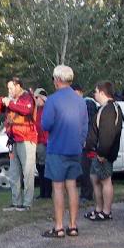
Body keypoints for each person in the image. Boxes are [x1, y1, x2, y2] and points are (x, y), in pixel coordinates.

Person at [40, 65, 89, 238]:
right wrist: (80, 142)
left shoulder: (53, 100)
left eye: (54, 78)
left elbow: (46, 124)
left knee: (58, 188)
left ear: (58, 80)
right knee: (73, 187)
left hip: (57, 149)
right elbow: (85, 126)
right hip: (75, 149)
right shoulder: (80, 101)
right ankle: (73, 226)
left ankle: (59, 227)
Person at [0, 77, 37, 211]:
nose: (9, 90)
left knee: (28, 172)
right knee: (13, 172)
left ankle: (27, 203)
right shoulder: (10, 99)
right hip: (13, 140)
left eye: (11, 88)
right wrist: (2, 101)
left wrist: (10, 103)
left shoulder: (27, 97)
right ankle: (16, 202)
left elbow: (26, 110)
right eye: (8, 88)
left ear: (18, 86)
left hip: (26, 139)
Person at [84, 81, 123, 221]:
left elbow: (107, 134)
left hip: (103, 154)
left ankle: (106, 211)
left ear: (102, 92)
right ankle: (98, 209)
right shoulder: (105, 108)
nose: (94, 94)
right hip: (97, 153)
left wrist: (102, 153)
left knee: (106, 180)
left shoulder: (109, 110)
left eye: (95, 91)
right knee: (95, 179)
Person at [73, 83, 97, 203]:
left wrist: (87, 140)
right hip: (80, 143)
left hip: (88, 144)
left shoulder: (87, 103)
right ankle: (85, 193)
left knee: (86, 168)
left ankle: (87, 194)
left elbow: (90, 123)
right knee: (82, 169)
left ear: (81, 92)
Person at [33, 87, 52, 200]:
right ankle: (43, 192)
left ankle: (47, 193)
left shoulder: (47, 109)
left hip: (44, 142)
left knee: (44, 167)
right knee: (40, 167)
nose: (35, 100)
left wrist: (46, 141)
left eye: (36, 98)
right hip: (38, 141)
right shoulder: (38, 109)